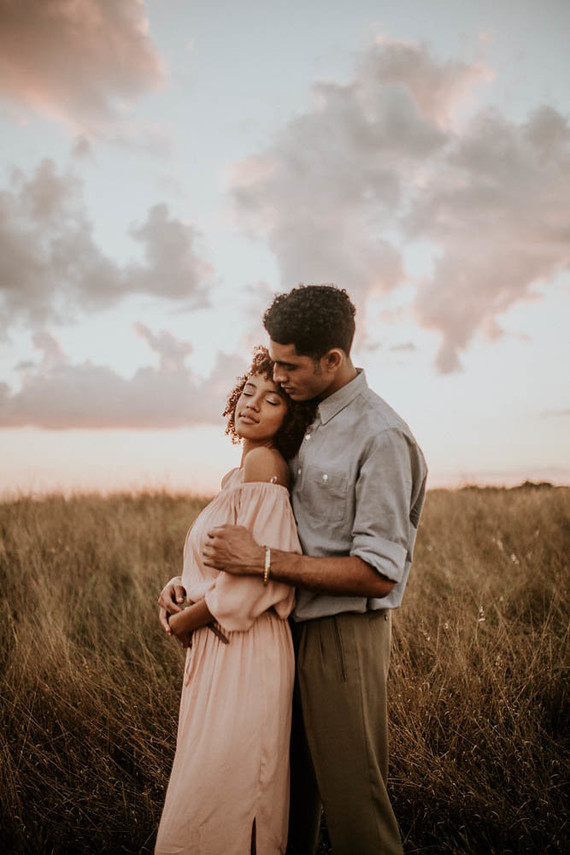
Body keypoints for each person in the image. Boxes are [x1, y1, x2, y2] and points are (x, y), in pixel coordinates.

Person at [200, 285, 428, 855]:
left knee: (356, 808)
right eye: (272, 361)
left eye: (288, 365)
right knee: (282, 800)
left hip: (341, 635)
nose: (277, 376)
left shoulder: (381, 436)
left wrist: (264, 562)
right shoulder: (307, 419)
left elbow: (380, 572)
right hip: (278, 633)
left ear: (333, 358)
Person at [155, 346, 316, 855]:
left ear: (289, 419)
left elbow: (259, 581)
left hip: (244, 649)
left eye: (272, 400)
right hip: (217, 647)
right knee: (205, 790)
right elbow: (216, 566)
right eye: (249, 392)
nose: (253, 404)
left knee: (229, 793)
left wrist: (186, 623)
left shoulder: (267, 465)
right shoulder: (236, 476)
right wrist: (176, 592)